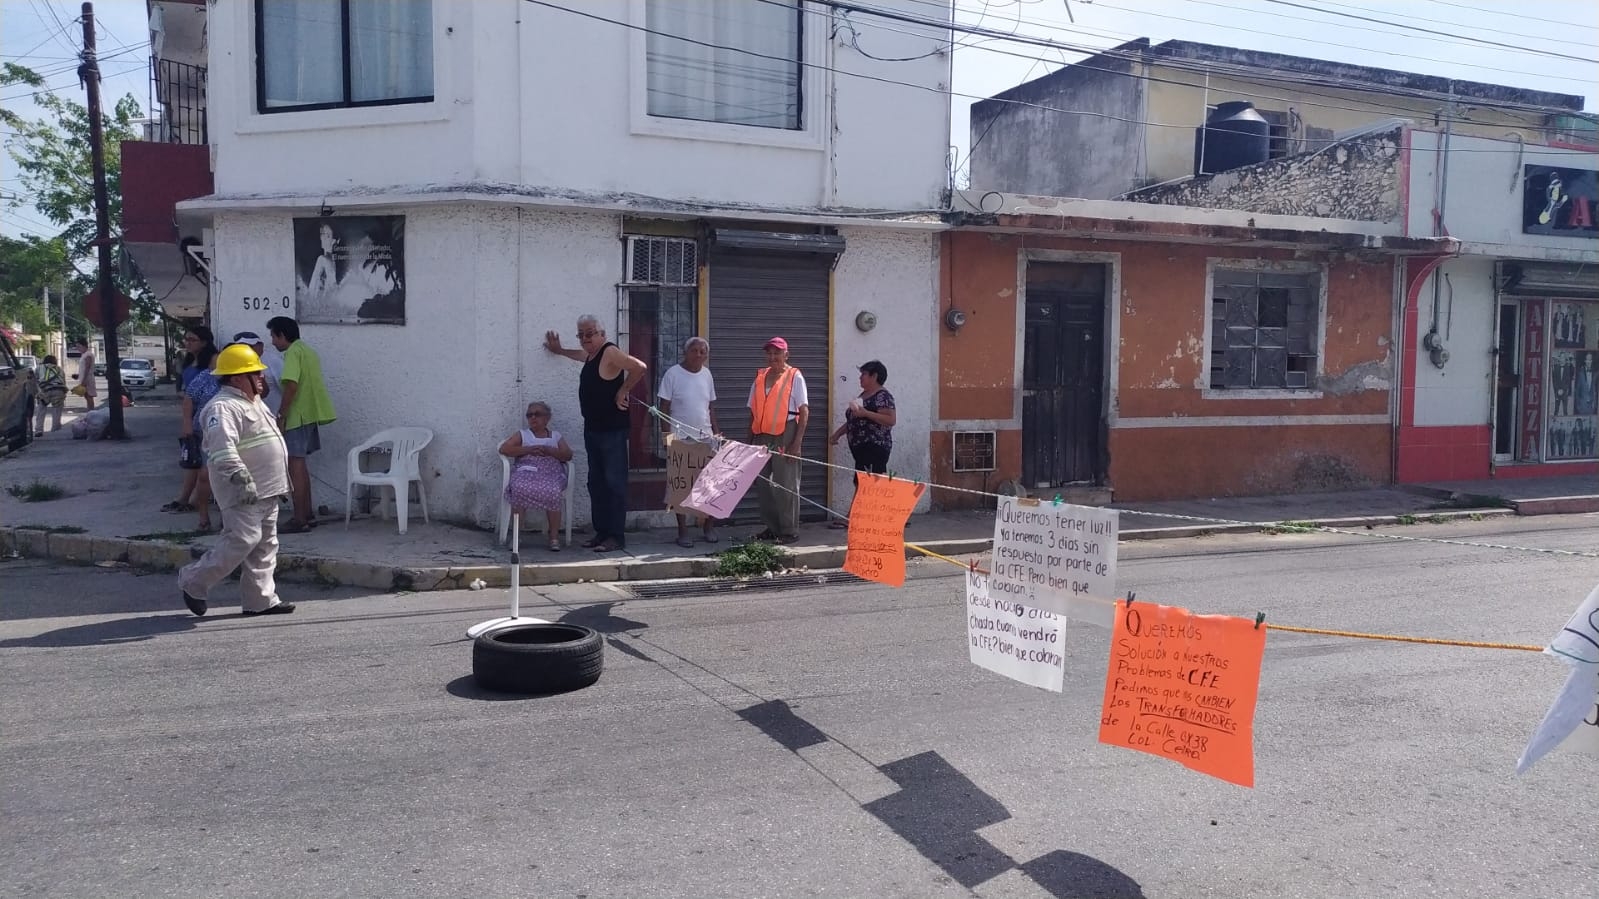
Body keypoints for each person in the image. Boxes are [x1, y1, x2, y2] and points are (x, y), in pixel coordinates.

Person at [178, 344, 294, 618]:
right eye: (256, 373)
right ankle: (193, 581)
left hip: (267, 489)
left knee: (265, 545)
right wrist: (242, 480)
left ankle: (260, 601)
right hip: (242, 490)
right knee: (243, 539)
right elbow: (222, 450)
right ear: (238, 377)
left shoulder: (252, 402)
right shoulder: (223, 407)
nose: (262, 377)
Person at [544, 314, 648, 553]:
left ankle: (615, 536)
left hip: (612, 430)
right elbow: (580, 356)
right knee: (597, 483)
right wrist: (560, 351)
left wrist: (623, 390)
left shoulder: (609, 351)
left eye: (590, 333)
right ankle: (601, 533)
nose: (585, 339)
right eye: (581, 334)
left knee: (614, 483)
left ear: (602, 334)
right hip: (593, 429)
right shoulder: (592, 355)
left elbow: (639, 367)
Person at [268, 316, 337, 534]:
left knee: (294, 467)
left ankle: (299, 519)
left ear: (282, 335)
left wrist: (281, 414)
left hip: (297, 416)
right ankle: (307, 514)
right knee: (301, 467)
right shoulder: (308, 351)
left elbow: (291, 386)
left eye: (273, 336)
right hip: (309, 415)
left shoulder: (292, 354)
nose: (272, 342)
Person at [657, 336, 720, 548]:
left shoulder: (707, 374)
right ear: (685, 352)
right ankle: (683, 532)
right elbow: (663, 408)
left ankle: (708, 527)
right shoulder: (673, 374)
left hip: (706, 437)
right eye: (695, 351)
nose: (699, 355)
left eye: (703, 351)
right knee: (680, 487)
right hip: (681, 439)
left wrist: (717, 434)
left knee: (709, 485)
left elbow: (710, 408)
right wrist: (667, 438)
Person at [747, 336, 809, 545]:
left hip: (786, 432)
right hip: (762, 435)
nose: (772, 357)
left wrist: (797, 443)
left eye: (777, 353)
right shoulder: (760, 376)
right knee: (763, 483)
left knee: (786, 484)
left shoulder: (794, 376)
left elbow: (804, 411)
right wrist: (749, 441)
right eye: (769, 353)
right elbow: (753, 411)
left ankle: (789, 531)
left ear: (786, 355)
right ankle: (773, 528)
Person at [828, 360, 897, 528]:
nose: (860, 378)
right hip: (861, 447)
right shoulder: (862, 396)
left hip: (874, 446)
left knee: (867, 482)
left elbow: (890, 420)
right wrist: (838, 434)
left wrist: (866, 413)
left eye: (864, 374)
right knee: (863, 481)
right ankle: (874, 517)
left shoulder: (882, 396)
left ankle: (854, 517)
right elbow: (853, 420)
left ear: (874, 376)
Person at [499, 401, 575, 552]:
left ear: (547, 418)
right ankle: (516, 536)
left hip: (550, 472)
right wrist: (528, 450)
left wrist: (550, 451)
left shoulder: (555, 436)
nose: (533, 418)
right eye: (529, 415)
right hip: (527, 471)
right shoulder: (523, 435)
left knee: (553, 490)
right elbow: (505, 448)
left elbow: (568, 455)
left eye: (537, 414)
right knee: (519, 487)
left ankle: (553, 537)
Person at [165, 328, 217, 516]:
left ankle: (195, 501)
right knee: (191, 459)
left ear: (204, 342)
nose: (188, 343)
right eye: (186, 339)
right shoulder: (188, 360)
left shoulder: (211, 362)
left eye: (192, 339)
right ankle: (184, 498)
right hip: (192, 416)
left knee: (202, 463)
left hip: (205, 418)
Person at [181, 344, 222, 530]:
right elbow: (189, 398)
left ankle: (226, 518)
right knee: (205, 475)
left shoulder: (237, 378)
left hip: (231, 433)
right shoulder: (206, 377)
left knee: (227, 477)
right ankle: (203, 518)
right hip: (204, 433)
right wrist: (187, 425)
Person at [232, 330, 283, 416]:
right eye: (241, 347)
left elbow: (286, 389)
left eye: (249, 346)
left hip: (274, 415)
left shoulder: (273, 361)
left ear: (260, 345)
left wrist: (282, 415)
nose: (246, 350)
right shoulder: (239, 361)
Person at [32, 354, 67, 436]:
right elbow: (63, 381)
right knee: (57, 410)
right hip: (58, 390)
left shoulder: (39, 368)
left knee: (41, 409)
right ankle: (55, 429)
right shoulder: (60, 369)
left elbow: (35, 380)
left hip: (45, 391)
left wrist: (36, 393)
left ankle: (39, 429)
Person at [73, 340, 97, 410]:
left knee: (89, 395)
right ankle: (89, 410)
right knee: (86, 395)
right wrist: (79, 375)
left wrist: (84, 379)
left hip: (87, 378)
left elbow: (87, 367)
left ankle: (91, 410)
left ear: (84, 346)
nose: (78, 348)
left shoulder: (88, 355)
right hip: (84, 377)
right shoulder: (84, 355)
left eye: (79, 346)